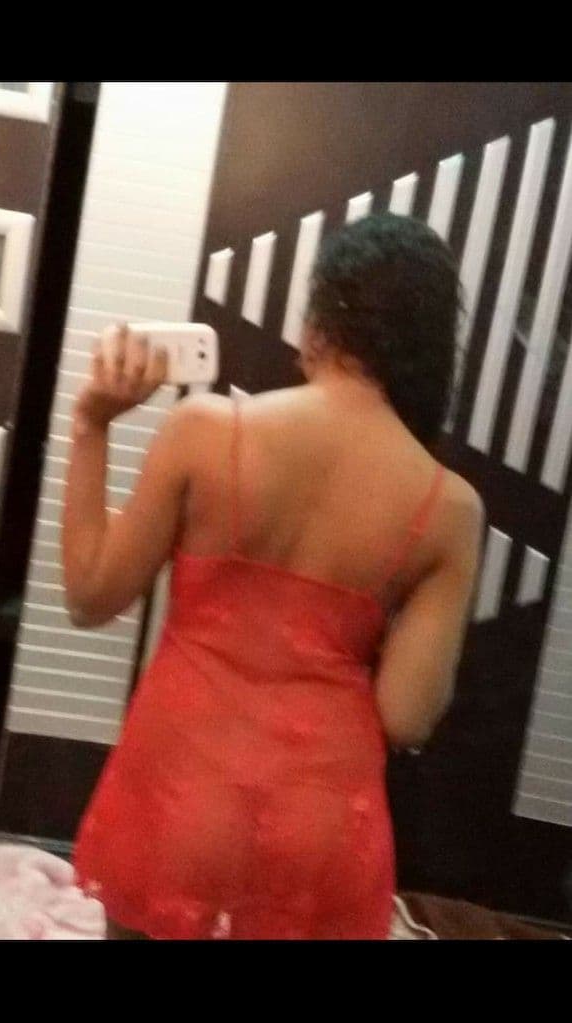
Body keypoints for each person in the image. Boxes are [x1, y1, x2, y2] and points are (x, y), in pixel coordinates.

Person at [65, 213, 484, 940]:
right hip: (320, 823)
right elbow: (406, 714)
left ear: (317, 325)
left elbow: (90, 594)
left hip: (177, 792)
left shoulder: (204, 431)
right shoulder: (448, 510)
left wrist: (92, 425)